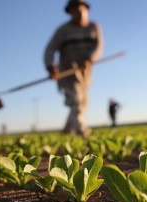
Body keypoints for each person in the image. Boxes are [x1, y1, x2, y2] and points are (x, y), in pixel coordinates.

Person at [44, 0, 104, 136]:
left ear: (87, 10)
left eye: (80, 9)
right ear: (70, 12)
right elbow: (50, 48)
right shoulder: (63, 31)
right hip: (67, 72)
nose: (78, 13)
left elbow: (98, 46)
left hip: (85, 73)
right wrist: (50, 65)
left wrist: (90, 58)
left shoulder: (94, 27)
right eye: (74, 10)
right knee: (75, 100)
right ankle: (80, 129)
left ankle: (67, 130)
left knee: (83, 102)